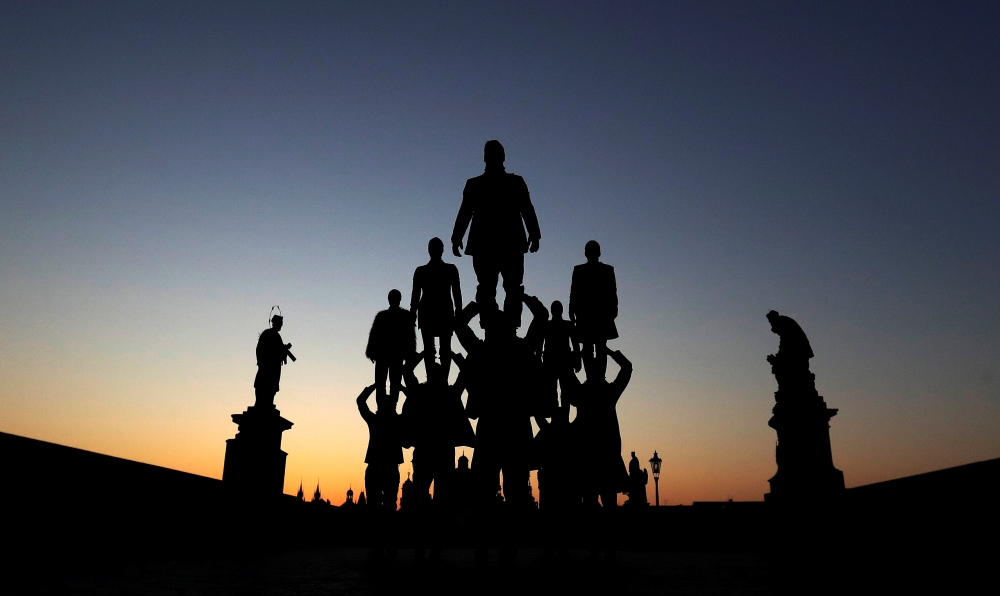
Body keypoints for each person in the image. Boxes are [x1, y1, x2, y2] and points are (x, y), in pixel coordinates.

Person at [451, 140, 541, 327]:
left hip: (508, 244)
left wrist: (535, 234)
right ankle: (492, 325)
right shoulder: (475, 184)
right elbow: (465, 211)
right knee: (488, 288)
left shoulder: (515, 182)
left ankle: (509, 326)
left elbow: (527, 209)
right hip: (489, 245)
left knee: (510, 287)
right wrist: (457, 236)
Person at [568, 346, 632, 561]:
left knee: (590, 505)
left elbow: (567, 374)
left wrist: (577, 355)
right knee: (609, 505)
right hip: (607, 454)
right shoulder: (609, 392)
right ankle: (608, 548)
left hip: (586, 456)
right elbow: (627, 368)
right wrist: (609, 351)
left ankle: (594, 547)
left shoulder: (581, 393)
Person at [357, 384, 404, 559]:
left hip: (382, 467)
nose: (383, 405)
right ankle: (384, 546)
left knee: (384, 509)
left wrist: (375, 387)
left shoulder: (385, 420)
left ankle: (384, 546)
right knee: (379, 509)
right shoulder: (396, 421)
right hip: (384, 468)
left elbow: (361, 401)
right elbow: (360, 402)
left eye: (386, 402)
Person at [410, 237, 463, 376]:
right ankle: (439, 379)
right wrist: (459, 311)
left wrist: (412, 313)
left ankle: (438, 380)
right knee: (439, 349)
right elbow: (415, 296)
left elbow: (457, 292)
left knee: (437, 349)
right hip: (438, 312)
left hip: (435, 312)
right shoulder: (449, 269)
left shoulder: (422, 271)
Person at [569, 240, 618, 380]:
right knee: (588, 347)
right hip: (585, 315)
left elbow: (612, 292)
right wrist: (572, 309)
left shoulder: (608, 270)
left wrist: (613, 309)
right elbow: (574, 292)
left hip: (602, 315)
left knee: (600, 346)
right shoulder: (578, 270)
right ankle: (591, 377)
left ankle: (600, 377)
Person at [366, 290, 416, 402]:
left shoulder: (403, 317)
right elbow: (374, 336)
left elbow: (410, 338)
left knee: (392, 384)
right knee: (384, 384)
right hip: (385, 356)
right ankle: (382, 408)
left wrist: (409, 355)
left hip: (394, 356)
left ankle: (390, 408)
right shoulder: (384, 316)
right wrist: (371, 352)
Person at [254, 312, 295, 408]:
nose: (281, 326)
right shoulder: (268, 334)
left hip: (274, 366)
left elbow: (279, 351)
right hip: (268, 365)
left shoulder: (276, 336)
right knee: (262, 384)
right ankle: (260, 404)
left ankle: (268, 403)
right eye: (280, 323)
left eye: (281, 324)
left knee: (272, 386)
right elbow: (261, 349)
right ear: (274, 323)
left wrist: (284, 349)